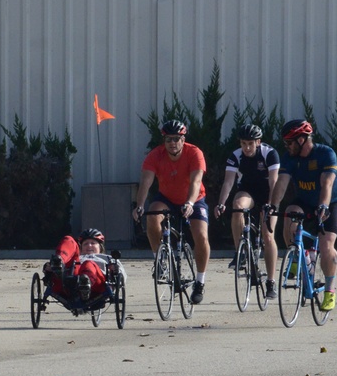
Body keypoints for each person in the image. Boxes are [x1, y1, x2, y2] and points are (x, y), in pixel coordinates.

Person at [267, 120, 337, 311]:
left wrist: (324, 206)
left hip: (330, 201)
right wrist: (272, 206)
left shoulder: (325, 154)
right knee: (289, 215)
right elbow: (282, 183)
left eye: (289, 142)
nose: (287, 147)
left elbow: (327, 183)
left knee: (327, 246)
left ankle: (329, 291)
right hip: (304, 201)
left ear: (302, 139)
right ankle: (296, 256)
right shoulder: (289, 158)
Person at [132, 119, 211, 304]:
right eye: (168, 139)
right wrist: (140, 205)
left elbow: (196, 181)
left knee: (201, 236)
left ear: (183, 140)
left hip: (194, 199)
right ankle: (159, 260)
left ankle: (200, 282)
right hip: (166, 198)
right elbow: (146, 182)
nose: (173, 143)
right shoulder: (155, 155)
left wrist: (190, 203)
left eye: (176, 139)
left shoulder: (194, 153)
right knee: (152, 215)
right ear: (164, 141)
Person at [214, 123, 281, 298]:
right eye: (244, 143)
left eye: (251, 143)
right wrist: (221, 203)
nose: (247, 147)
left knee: (268, 235)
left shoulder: (270, 153)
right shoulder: (236, 156)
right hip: (248, 191)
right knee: (237, 206)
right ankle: (240, 252)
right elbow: (228, 182)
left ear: (258, 142)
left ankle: (271, 281)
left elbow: (274, 182)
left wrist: (271, 204)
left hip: (269, 194)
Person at [45, 228, 125, 302]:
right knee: (68, 239)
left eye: (93, 243)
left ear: (100, 247)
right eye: (85, 244)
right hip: (68, 281)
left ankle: (85, 284)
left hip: (97, 285)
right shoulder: (76, 257)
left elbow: (122, 277)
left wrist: (115, 270)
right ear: (81, 247)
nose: (89, 245)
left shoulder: (108, 258)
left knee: (88, 263)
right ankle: (59, 262)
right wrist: (49, 268)